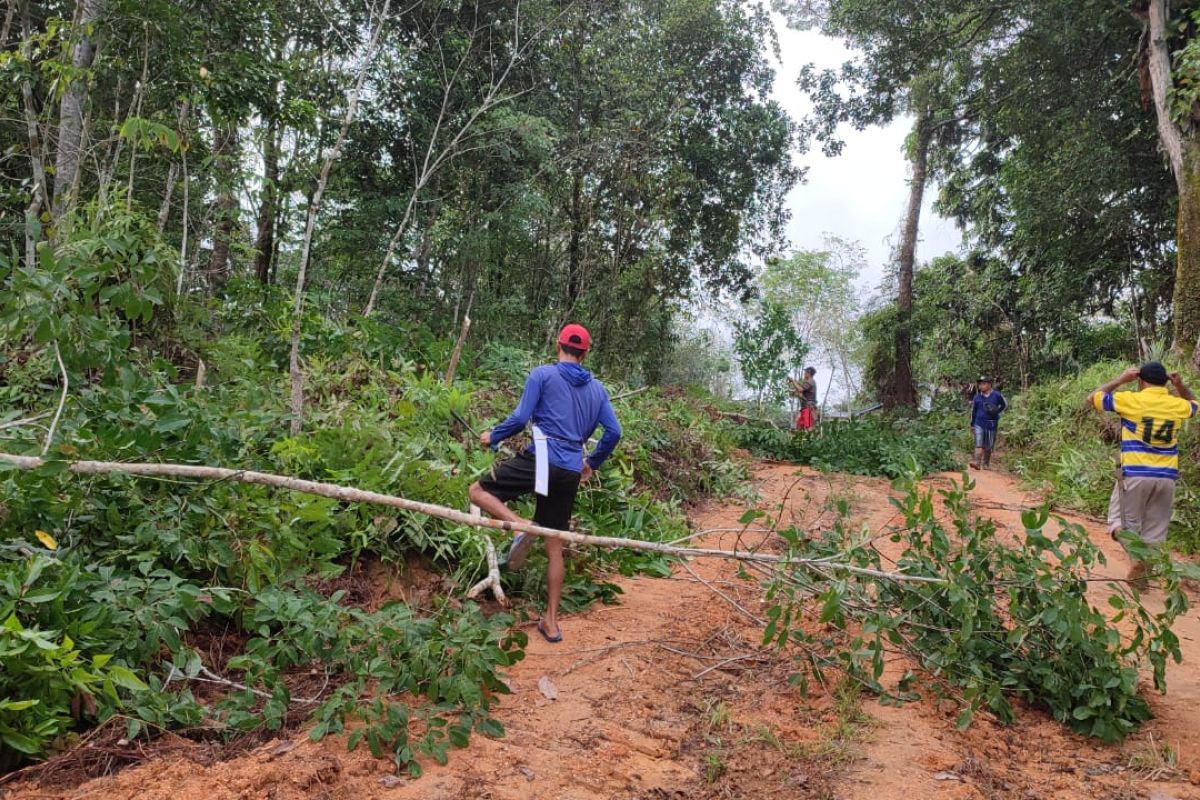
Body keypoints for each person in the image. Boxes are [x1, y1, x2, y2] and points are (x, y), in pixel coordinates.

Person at [468, 323, 622, 644]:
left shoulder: (542, 375)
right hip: (568, 471)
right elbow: (614, 432)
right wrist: (590, 464)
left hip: (541, 459)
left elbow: (522, 417)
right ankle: (551, 623)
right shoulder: (598, 390)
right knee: (555, 546)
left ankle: (520, 525)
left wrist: (493, 436)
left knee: (478, 491)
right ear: (585, 352)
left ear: (558, 345)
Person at [1089, 362, 1196, 586]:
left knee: (1119, 522)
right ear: (1166, 382)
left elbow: (1095, 397)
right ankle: (1144, 572)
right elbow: (1195, 404)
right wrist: (1180, 385)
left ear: (1140, 380)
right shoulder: (1176, 405)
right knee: (1155, 531)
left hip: (1135, 474)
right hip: (1167, 477)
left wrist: (1120, 380)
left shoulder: (1131, 400)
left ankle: (1138, 559)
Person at [969, 375, 1007, 469]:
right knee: (979, 443)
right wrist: (972, 424)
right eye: (980, 384)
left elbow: (1004, 405)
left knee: (988, 445)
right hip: (979, 423)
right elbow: (974, 411)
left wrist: (997, 411)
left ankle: (986, 464)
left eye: (983, 384)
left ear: (989, 385)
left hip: (992, 423)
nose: (980, 386)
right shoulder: (977, 397)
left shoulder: (997, 395)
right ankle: (977, 462)